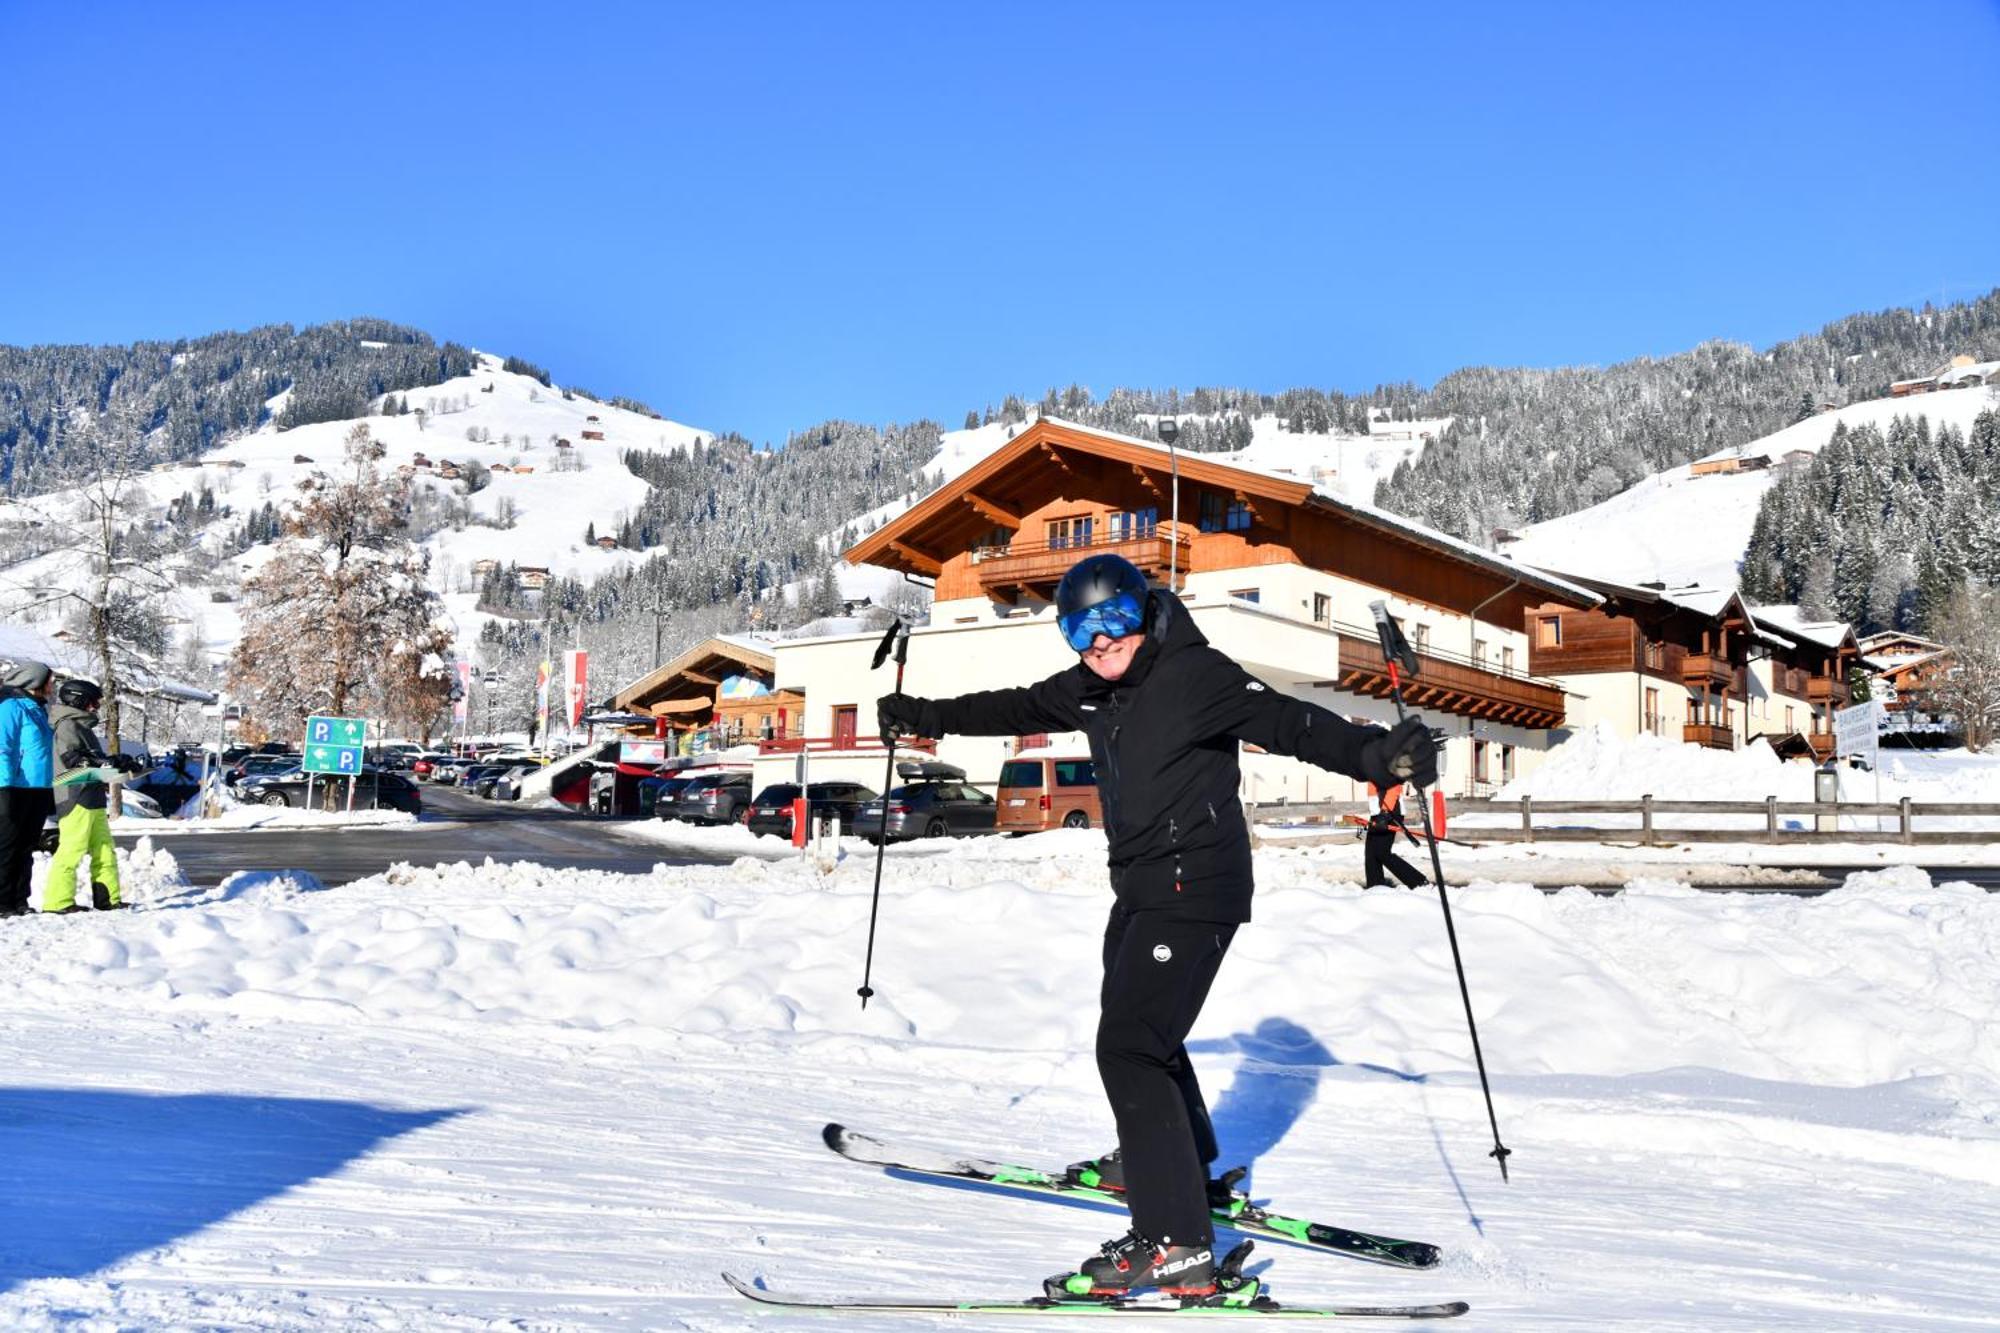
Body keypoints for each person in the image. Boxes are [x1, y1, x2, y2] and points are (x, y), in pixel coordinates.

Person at [877, 553, 1437, 1297]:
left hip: (1197, 886)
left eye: (1114, 622)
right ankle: (1176, 1160)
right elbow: (1010, 707)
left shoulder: (1195, 674)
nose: (1100, 642)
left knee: (1130, 1046)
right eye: (1081, 629)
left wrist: (1378, 756)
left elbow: (1292, 721)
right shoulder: (1089, 689)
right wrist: (923, 717)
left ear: (1143, 611)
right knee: (1143, 1031)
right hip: (1141, 888)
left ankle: (1174, 1241)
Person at [45, 677, 135, 914]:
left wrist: (114, 763)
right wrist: (105, 762)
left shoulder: (81, 727)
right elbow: (73, 759)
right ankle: (57, 903)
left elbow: (93, 762)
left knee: (104, 849)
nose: (95, 707)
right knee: (71, 850)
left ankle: (108, 899)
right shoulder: (67, 726)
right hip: (75, 795)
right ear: (78, 699)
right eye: (92, 702)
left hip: (92, 796)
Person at [0, 660, 57, 919]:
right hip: (14, 788)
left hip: (38, 788)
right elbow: (4, 747)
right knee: (8, 846)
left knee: (26, 847)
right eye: (49, 681)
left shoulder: (38, 709)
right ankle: (2, 902)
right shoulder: (11, 707)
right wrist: (5, 787)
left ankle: (20, 900)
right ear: (35, 682)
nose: (52, 686)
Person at [1363, 781, 1429, 890]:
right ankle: (1375, 887)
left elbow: (1394, 785)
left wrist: (1384, 813)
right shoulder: (1371, 765)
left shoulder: (1384, 764)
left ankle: (1419, 881)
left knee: (1381, 852)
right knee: (1371, 852)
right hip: (1378, 812)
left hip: (1388, 812)